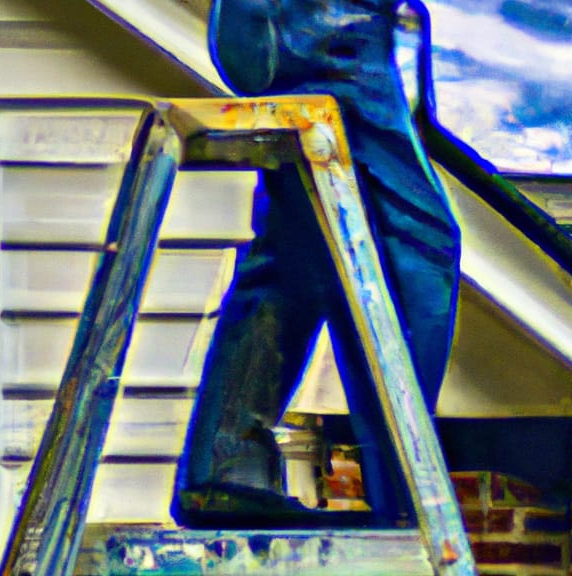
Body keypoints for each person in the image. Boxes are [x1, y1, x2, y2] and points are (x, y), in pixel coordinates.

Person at [172, 0, 461, 528]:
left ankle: (227, 463)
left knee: (301, 250)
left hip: (304, 28)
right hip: (321, 30)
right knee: (416, 241)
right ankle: (404, 483)